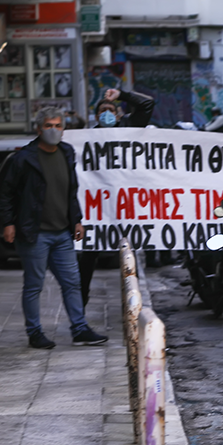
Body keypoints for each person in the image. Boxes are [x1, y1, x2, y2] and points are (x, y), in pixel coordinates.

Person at [0, 107, 108, 349]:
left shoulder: (67, 152)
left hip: (62, 233)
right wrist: (8, 223)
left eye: (58, 126)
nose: (54, 130)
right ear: (38, 129)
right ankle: (34, 333)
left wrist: (76, 219)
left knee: (72, 282)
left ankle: (80, 329)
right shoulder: (23, 159)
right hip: (34, 234)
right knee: (34, 285)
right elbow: (3, 194)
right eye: (49, 126)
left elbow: (70, 191)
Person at [81, 88, 155, 304]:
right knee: (89, 255)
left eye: (111, 110)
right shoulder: (89, 138)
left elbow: (147, 104)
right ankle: (81, 304)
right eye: (103, 110)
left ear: (118, 114)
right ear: (96, 117)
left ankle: (134, 305)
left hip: (126, 206)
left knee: (128, 254)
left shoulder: (130, 128)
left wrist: (121, 95)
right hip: (99, 207)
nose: (107, 113)